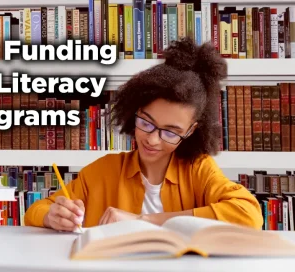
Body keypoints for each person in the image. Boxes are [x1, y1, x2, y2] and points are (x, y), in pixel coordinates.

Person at [24, 37, 263, 232]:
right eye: (146, 122)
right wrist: (51, 216)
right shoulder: (103, 171)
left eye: (171, 132)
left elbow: (249, 215)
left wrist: (144, 220)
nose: (152, 139)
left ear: (191, 131)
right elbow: (35, 212)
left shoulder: (199, 170)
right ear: (134, 111)